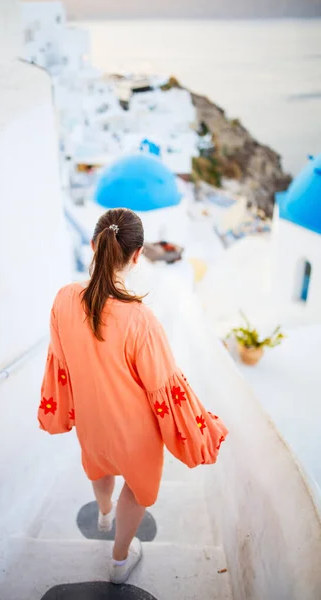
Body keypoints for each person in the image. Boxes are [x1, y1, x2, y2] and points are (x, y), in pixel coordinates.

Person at [38, 208, 228, 584]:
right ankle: (120, 559)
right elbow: (165, 389)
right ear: (137, 255)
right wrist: (201, 427)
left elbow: (58, 363)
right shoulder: (140, 320)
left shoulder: (63, 299)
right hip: (135, 434)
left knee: (99, 467)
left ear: (93, 245)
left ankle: (104, 514)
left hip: (91, 425)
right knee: (137, 490)